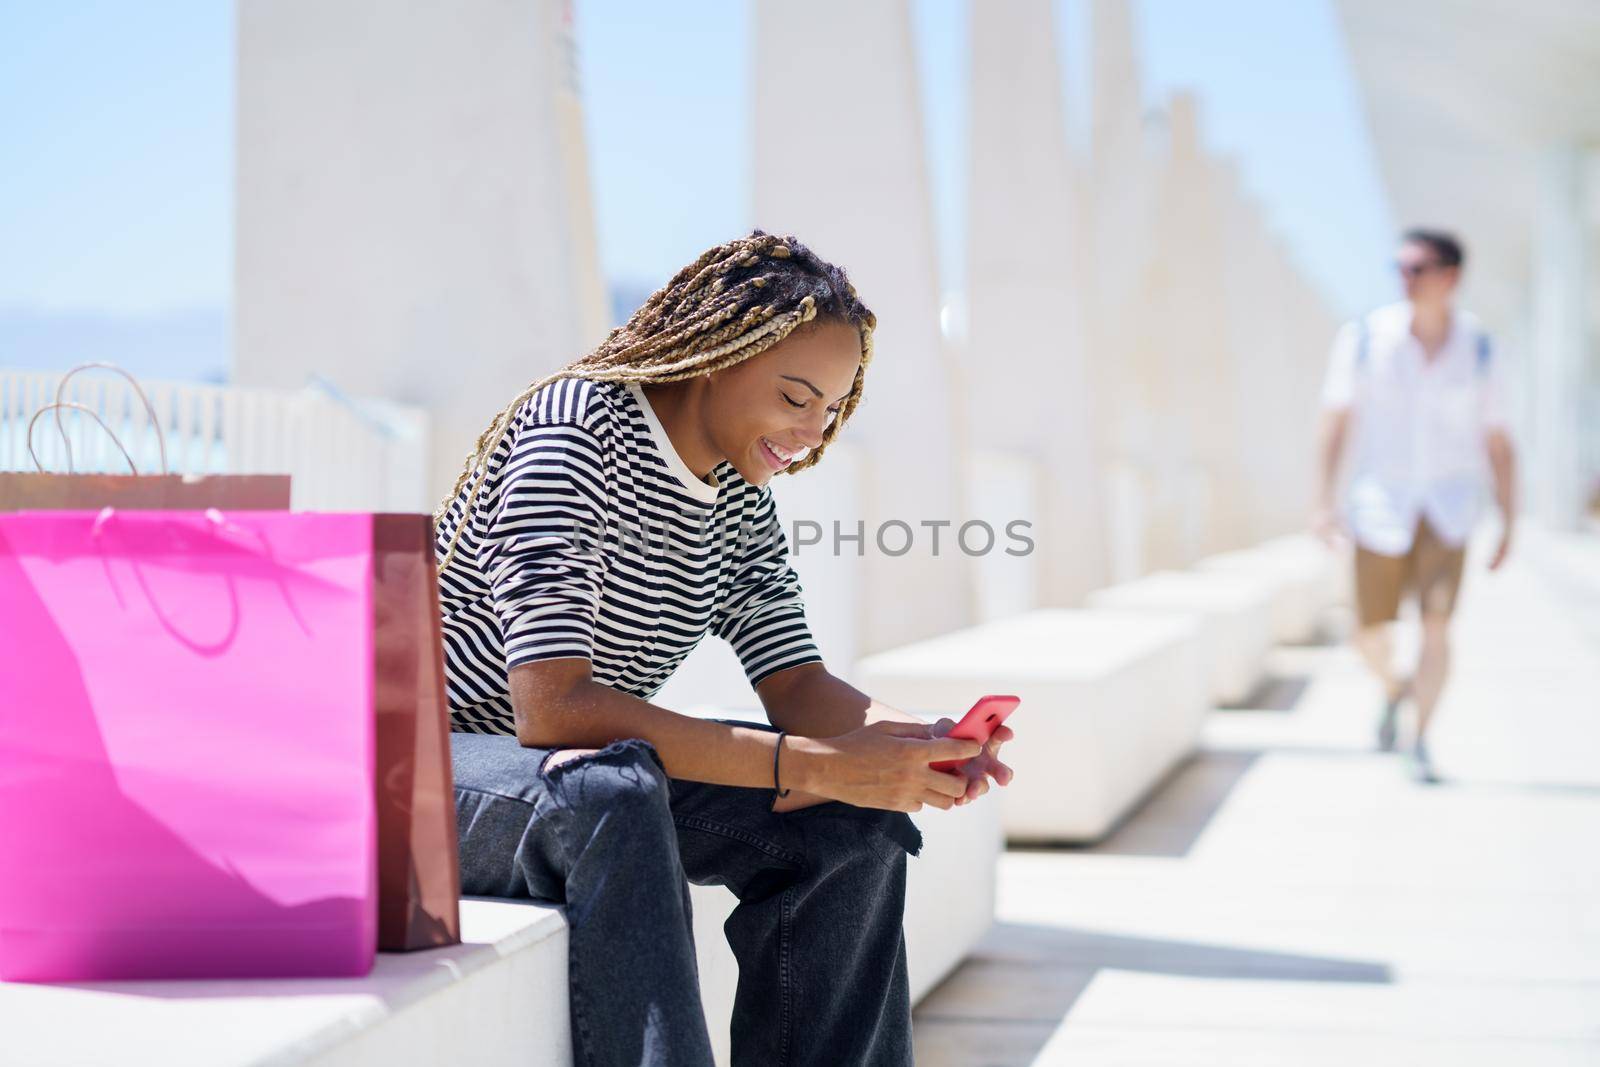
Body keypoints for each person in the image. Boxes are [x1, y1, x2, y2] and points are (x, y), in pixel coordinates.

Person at [432, 231, 1014, 1066]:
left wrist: (919, 740)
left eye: (831, 409)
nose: (811, 432)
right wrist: (813, 762)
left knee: (852, 822)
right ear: (715, 353)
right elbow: (552, 707)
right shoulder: (573, 431)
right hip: (432, 780)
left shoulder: (740, 492)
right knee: (619, 788)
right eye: (794, 397)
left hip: (581, 780)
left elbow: (799, 683)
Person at [1313, 229, 1517, 783]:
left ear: (1450, 276)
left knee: (1436, 625)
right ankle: (1395, 689)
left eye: (1418, 268)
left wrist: (1508, 520)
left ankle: (1419, 738)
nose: (1405, 277)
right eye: (1399, 267)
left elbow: (1498, 440)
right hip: (1380, 503)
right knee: (1368, 632)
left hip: (1449, 508)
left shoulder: (1480, 348)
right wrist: (1322, 503)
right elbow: (1336, 421)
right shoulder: (1363, 338)